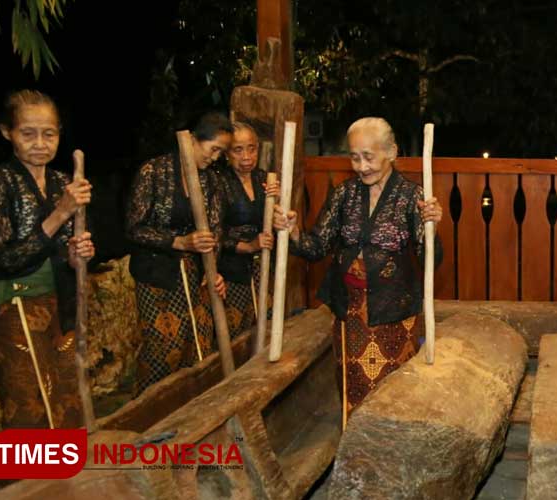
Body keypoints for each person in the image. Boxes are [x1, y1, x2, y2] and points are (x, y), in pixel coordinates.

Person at [273, 117, 443, 415]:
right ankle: (357, 455)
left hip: (394, 313)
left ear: (391, 152)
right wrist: (293, 230)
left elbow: (431, 259)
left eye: (369, 156)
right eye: (354, 157)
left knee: (395, 394)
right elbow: (316, 247)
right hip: (350, 314)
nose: (361, 166)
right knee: (355, 389)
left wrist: (432, 226)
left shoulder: (412, 197)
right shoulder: (344, 194)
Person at [0, 89, 94, 429]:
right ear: (6, 132)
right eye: (28, 133)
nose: (40, 143)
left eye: (50, 133)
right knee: (30, 410)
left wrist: (78, 255)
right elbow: (8, 258)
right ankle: (25, 484)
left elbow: (66, 251)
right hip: (16, 308)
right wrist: (61, 212)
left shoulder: (65, 181)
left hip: (63, 307)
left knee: (67, 403)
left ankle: (66, 482)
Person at [126, 112, 230, 396]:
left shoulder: (212, 182)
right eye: (214, 149)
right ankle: (149, 421)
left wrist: (214, 270)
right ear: (195, 140)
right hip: (157, 277)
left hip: (195, 276)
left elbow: (215, 232)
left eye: (222, 152)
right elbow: (135, 229)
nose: (216, 158)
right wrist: (179, 242)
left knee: (198, 348)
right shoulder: (154, 172)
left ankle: (191, 420)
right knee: (162, 353)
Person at [217, 122, 279, 338]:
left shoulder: (264, 179)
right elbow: (212, 233)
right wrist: (248, 246)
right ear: (226, 153)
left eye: (251, 148)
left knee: (266, 333)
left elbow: (276, 224)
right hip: (231, 274)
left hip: (262, 271)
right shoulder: (217, 181)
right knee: (236, 337)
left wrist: (277, 201)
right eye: (238, 149)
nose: (246, 156)